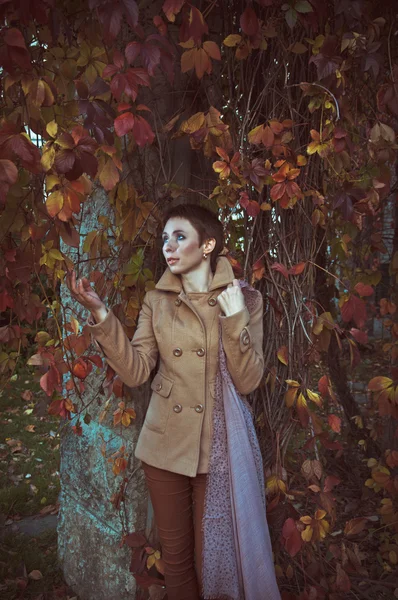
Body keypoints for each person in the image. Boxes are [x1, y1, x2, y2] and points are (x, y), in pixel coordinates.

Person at [66, 204, 279, 600]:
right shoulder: (157, 301)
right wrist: (100, 313)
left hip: (215, 450)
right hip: (164, 446)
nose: (169, 246)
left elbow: (248, 382)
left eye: (180, 237)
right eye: (165, 238)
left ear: (208, 244)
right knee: (177, 561)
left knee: (212, 561)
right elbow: (136, 371)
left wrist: (234, 322)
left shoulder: (243, 299)